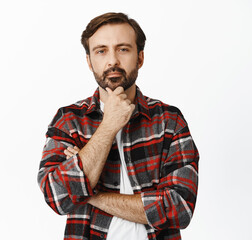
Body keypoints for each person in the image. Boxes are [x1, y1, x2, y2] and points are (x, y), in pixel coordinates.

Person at [37, 12, 199, 240]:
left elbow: (179, 209)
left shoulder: (169, 120)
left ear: (140, 57)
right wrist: (108, 126)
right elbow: (57, 197)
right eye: (101, 51)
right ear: (89, 61)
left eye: (123, 49)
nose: (112, 60)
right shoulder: (68, 120)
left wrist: (88, 192)